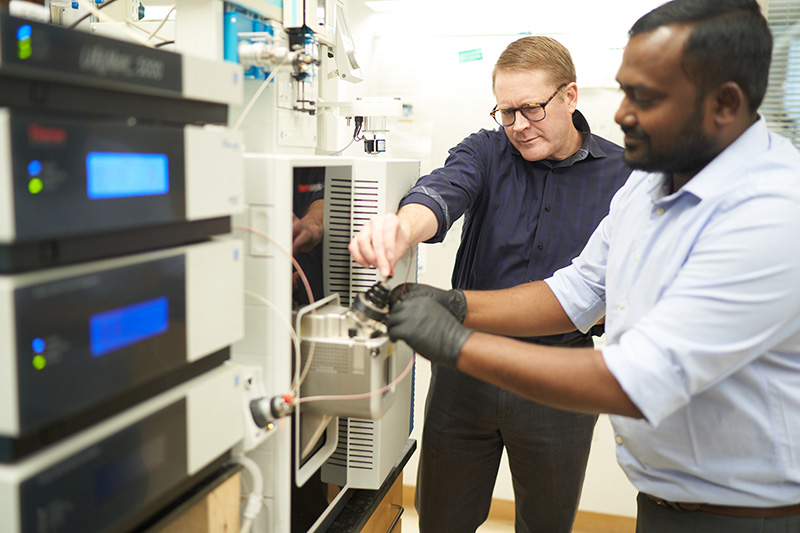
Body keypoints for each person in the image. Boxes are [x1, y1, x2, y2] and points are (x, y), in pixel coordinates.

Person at [385, 1, 800, 531]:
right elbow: (577, 290)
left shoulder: (773, 209)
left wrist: (457, 342)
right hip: (664, 502)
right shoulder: (647, 184)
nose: (622, 113)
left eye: (645, 97)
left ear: (724, 103)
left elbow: (641, 376)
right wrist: (456, 305)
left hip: (747, 516)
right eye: (625, 91)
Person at [349, 36, 631, 532]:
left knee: (546, 524)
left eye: (531, 109)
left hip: (556, 378)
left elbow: (622, 287)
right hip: (465, 371)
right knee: (442, 520)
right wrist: (402, 228)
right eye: (506, 112)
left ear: (570, 96)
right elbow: (440, 192)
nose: (518, 126)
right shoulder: (487, 149)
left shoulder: (624, 176)